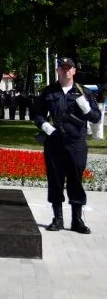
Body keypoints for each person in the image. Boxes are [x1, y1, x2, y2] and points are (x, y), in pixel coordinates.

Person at [34, 57, 101, 234]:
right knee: (55, 180)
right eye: (62, 68)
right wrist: (44, 125)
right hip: (54, 143)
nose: (65, 71)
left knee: (75, 181)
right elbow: (37, 114)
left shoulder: (84, 92)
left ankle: (77, 220)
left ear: (74, 71)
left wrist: (87, 108)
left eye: (68, 68)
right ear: (57, 71)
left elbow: (96, 117)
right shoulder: (48, 92)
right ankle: (57, 219)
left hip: (76, 143)